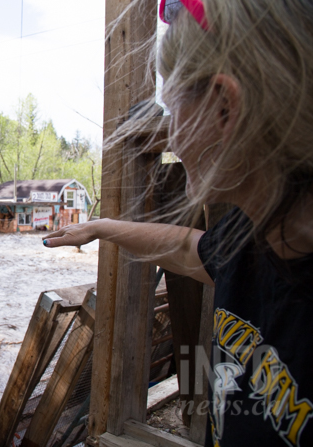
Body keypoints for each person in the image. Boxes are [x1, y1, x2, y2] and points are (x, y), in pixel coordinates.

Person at [43, 0, 313, 446]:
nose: (172, 135)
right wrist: (102, 227)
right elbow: (191, 249)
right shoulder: (259, 233)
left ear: (225, 108)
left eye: (173, 108)